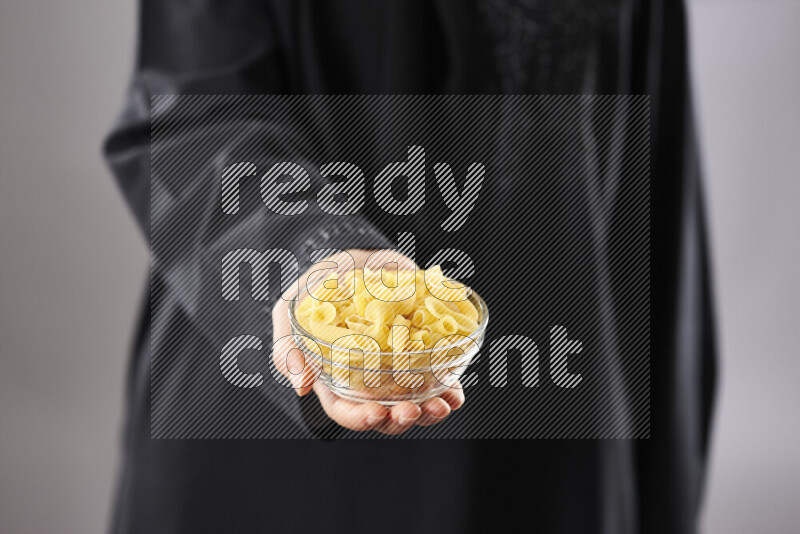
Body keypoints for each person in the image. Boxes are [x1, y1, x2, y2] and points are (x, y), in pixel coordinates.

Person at [104, 1, 716, 532]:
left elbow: (652, 193)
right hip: (274, 443)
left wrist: (661, 493)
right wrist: (317, 255)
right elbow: (191, 111)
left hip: (551, 451)